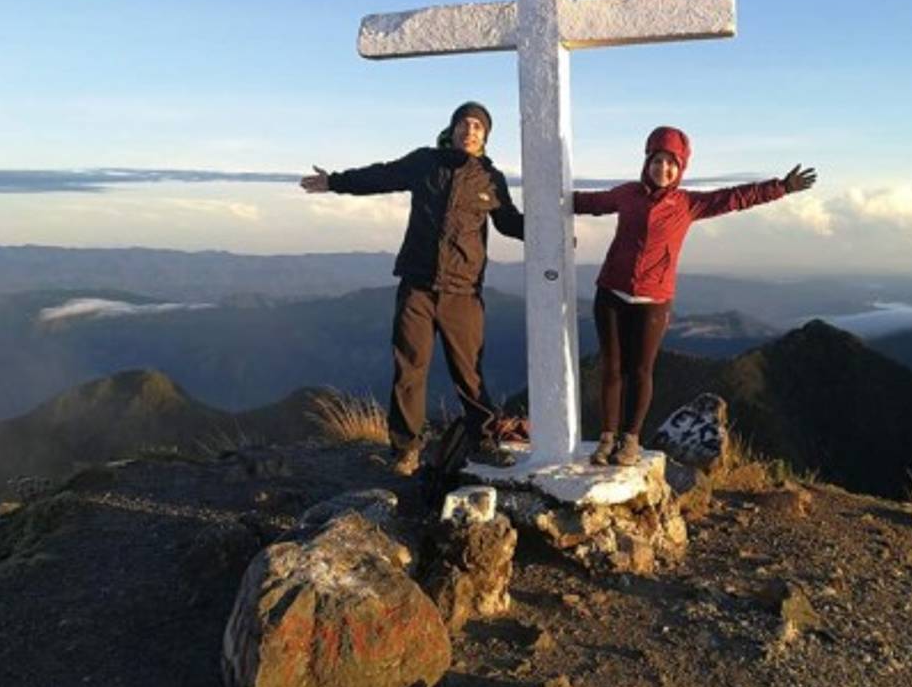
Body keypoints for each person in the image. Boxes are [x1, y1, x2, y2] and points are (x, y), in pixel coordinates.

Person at [300, 102, 524, 475]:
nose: (470, 131)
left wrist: (554, 234)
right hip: (417, 286)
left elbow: (510, 223)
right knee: (409, 369)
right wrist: (335, 181)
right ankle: (405, 450)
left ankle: (483, 441)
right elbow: (382, 176)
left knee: (469, 373)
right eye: (464, 124)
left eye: (478, 127)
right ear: (452, 129)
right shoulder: (425, 162)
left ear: (485, 137)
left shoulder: (490, 178)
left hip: (463, 292)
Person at [573, 126, 816, 466]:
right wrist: (549, 200)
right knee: (612, 368)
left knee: (641, 371)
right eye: (657, 161)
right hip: (611, 291)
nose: (663, 169)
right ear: (647, 162)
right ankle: (606, 438)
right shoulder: (627, 194)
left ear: (681, 168)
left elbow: (734, 197)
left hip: (653, 300)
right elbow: (589, 203)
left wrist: (781, 187)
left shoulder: (687, 204)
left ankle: (629, 440)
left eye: (671, 163)